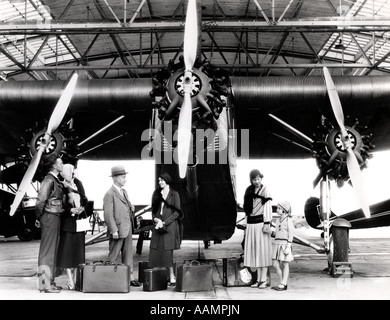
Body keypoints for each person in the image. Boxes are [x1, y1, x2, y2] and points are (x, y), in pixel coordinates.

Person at [103, 165, 142, 287]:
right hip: (118, 230)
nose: (125, 179)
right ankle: (109, 278)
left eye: (125, 177)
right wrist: (114, 230)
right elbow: (108, 215)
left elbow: (125, 207)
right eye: (123, 177)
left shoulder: (124, 192)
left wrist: (131, 208)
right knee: (113, 255)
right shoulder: (109, 194)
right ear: (115, 178)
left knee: (128, 254)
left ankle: (129, 278)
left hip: (127, 227)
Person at [35, 154, 65, 293]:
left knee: (52, 251)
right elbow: (41, 200)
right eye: (60, 162)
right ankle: (44, 284)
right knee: (47, 251)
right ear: (54, 165)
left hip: (54, 216)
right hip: (49, 216)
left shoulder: (54, 179)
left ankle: (49, 282)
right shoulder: (49, 180)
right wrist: (38, 217)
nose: (62, 164)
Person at [56, 163, 88, 290]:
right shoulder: (61, 185)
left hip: (79, 223)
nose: (73, 172)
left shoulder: (78, 183)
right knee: (67, 254)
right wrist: (71, 211)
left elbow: (85, 198)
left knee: (78, 254)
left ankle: (74, 279)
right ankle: (70, 280)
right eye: (72, 170)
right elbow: (60, 206)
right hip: (68, 225)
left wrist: (82, 208)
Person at [149, 172, 183, 286]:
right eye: (159, 180)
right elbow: (153, 212)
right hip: (158, 226)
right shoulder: (156, 194)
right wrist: (156, 220)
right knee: (156, 251)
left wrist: (164, 222)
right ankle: (158, 276)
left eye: (162, 180)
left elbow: (177, 213)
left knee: (168, 252)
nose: (160, 182)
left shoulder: (175, 194)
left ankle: (172, 276)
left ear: (167, 181)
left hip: (169, 226)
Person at [243, 169, 273, 289]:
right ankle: (257, 280)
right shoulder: (249, 190)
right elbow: (246, 208)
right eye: (254, 179)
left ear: (261, 178)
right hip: (251, 224)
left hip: (261, 223)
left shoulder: (266, 190)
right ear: (251, 180)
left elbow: (268, 206)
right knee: (254, 253)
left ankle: (264, 280)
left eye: (258, 179)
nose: (256, 181)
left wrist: (267, 222)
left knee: (263, 252)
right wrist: (245, 224)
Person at [271, 200, 295, 291]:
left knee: (285, 264)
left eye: (279, 208)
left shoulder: (289, 220)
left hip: (285, 244)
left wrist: (289, 246)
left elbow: (291, 234)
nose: (277, 210)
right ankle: (281, 282)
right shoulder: (277, 220)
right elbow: (277, 232)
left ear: (284, 210)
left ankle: (283, 283)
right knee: (275, 263)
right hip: (277, 243)